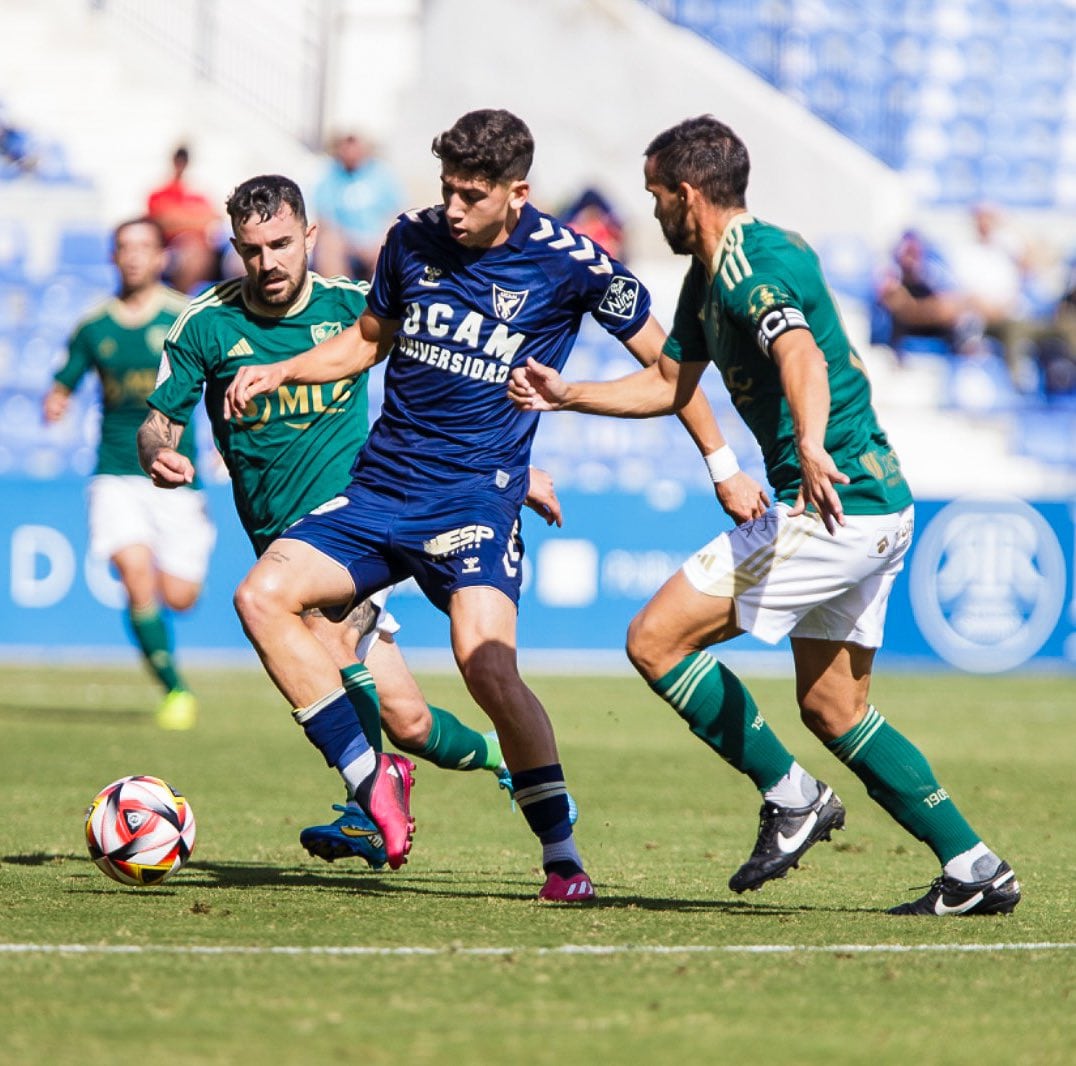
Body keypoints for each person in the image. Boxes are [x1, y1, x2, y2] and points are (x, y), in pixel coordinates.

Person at [221, 109, 767, 901]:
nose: (453, 207)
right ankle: (371, 780)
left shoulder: (574, 264)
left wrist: (721, 464)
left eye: (471, 194)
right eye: (447, 188)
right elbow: (370, 336)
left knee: (486, 665)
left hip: (476, 498)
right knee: (261, 596)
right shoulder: (411, 239)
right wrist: (288, 370)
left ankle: (562, 855)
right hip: (382, 489)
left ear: (518, 193)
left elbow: (672, 369)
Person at [509, 115, 1021, 917]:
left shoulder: (750, 266)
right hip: (874, 507)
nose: (651, 213)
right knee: (832, 707)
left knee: (653, 639)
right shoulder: (711, 273)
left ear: (687, 195)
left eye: (655, 197)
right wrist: (568, 393)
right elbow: (672, 383)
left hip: (829, 506)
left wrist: (811, 445)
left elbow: (801, 355)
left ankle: (791, 795)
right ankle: (975, 866)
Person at [136, 173, 564, 872]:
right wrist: (161, 455)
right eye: (251, 250)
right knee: (411, 723)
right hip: (283, 544)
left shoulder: (355, 309)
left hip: (364, 526)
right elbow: (157, 423)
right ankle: (503, 758)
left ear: (309, 236)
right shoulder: (205, 323)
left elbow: (458, 373)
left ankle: (367, 805)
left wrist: (510, 469)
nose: (268, 262)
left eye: (280, 244)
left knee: (325, 629)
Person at [44, 217, 214, 731]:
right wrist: (56, 400)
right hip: (115, 471)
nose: (135, 256)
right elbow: (63, 381)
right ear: (113, 257)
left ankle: (167, 653)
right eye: (125, 247)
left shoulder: (184, 317)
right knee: (136, 577)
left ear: (162, 257)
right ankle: (175, 690)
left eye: (145, 247)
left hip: (177, 475)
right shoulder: (94, 325)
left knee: (179, 598)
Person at [312, 131, 403, 282]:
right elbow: (325, 219)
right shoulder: (330, 175)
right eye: (345, 145)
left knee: (391, 244)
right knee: (328, 245)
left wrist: (380, 239)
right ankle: (340, 297)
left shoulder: (382, 174)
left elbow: (395, 215)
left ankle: (381, 300)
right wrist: (350, 244)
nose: (350, 151)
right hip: (345, 242)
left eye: (354, 144)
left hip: (375, 241)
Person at [146, 145, 221, 295]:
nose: (181, 164)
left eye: (184, 160)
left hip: (202, 250)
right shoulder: (160, 193)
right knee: (190, 253)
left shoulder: (197, 194)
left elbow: (213, 218)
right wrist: (194, 219)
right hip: (174, 249)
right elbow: (162, 222)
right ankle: (183, 302)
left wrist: (178, 219)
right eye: (179, 159)